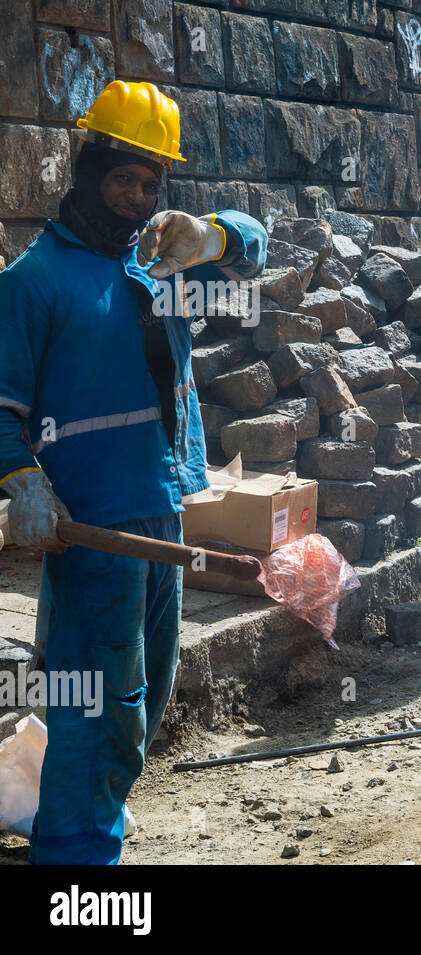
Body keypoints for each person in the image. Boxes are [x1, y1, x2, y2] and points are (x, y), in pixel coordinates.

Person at [0, 80, 267, 863]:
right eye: (125, 178)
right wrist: (22, 483)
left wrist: (211, 236)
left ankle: (87, 821)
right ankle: (79, 864)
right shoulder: (33, 282)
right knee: (98, 708)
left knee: (140, 703)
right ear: (88, 170)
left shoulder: (161, 264)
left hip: (162, 515)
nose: (138, 198)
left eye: (153, 184)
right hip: (92, 534)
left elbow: (259, 249)